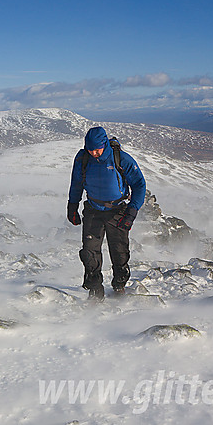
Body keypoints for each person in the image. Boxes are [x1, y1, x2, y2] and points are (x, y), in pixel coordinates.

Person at [67, 126, 147, 300]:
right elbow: (76, 183)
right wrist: (72, 206)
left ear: (105, 145)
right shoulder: (83, 159)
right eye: (90, 149)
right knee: (90, 252)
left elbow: (139, 185)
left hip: (118, 211)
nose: (94, 153)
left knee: (119, 252)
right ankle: (95, 289)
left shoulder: (121, 159)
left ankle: (119, 284)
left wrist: (131, 212)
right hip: (93, 210)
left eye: (97, 149)